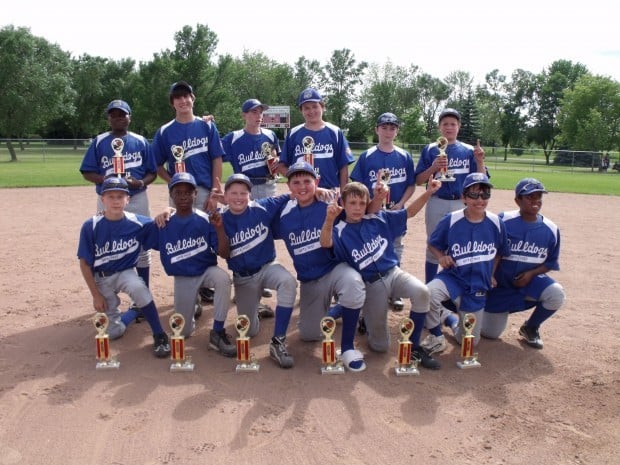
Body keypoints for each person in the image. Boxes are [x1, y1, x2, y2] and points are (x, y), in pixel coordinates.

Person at [320, 180, 443, 370]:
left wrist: (429, 192)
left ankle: (413, 346)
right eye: (352, 203)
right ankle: (363, 317)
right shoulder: (340, 231)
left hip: (393, 273)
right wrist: (328, 219)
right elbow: (325, 244)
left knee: (422, 292)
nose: (357, 208)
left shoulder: (378, 218)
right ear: (342, 204)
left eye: (362, 203)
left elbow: (409, 212)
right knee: (379, 347)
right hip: (371, 285)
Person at [273, 162, 367, 371]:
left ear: (317, 182)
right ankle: (340, 309)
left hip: (335, 269)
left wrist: (378, 197)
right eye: (296, 182)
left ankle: (348, 347)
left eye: (307, 181)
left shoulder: (330, 203)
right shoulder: (284, 214)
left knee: (353, 283)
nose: (302, 186)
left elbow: (360, 209)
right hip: (310, 280)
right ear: (289, 187)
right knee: (309, 334)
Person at [79, 99, 157, 318]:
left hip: (137, 197)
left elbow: (152, 171)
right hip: (108, 198)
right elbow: (86, 171)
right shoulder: (99, 141)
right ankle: (106, 296)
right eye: (114, 115)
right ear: (109, 118)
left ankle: (142, 299)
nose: (118, 118)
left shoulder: (141, 141)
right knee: (105, 243)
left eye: (122, 115)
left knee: (143, 246)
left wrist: (140, 182)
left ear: (129, 117)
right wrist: (108, 180)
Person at [77, 177, 171, 358]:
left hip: (126, 272)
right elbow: (84, 263)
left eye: (120, 196)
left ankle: (159, 334)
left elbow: (164, 224)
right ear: (102, 199)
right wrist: (95, 295)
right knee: (112, 333)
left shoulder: (139, 222)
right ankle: (133, 313)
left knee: (140, 289)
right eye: (110, 196)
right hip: (101, 277)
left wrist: (167, 210)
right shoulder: (91, 226)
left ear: (128, 199)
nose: (115, 201)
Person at [144, 172, 236, 357]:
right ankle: (194, 304)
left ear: (195, 194)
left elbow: (224, 253)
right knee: (184, 332)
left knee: (223, 279)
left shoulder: (204, 219)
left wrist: (219, 229)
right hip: (183, 278)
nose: (184, 196)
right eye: (178, 192)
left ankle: (217, 331)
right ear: (172, 195)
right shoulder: (164, 223)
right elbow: (136, 230)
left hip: (205, 271)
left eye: (188, 192)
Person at [152, 80, 225, 304]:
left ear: (193, 99)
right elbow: (156, 165)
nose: (183, 100)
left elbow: (217, 158)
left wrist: (215, 191)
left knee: (207, 234)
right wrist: (172, 180)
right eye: (177, 97)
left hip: (203, 190)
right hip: (180, 194)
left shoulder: (207, 126)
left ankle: (204, 285)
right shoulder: (164, 131)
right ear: (172, 103)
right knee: (182, 237)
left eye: (186, 96)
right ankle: (186, 285)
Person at [421, 172, 510, 356]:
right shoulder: (452, 219)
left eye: (485, 194)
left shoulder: (496, 223)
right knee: (429, 293)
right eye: (474, 195)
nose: (480, 200)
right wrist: (440, 257)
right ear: (463, 198)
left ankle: (449, 319)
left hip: (478, 285)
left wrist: (491, 273)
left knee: (469, 341)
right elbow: (433, 242)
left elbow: (500, 252)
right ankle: (437, 337)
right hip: (453, 278)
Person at [218, 173, 298, 368]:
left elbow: (292, 194)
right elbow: (223, 253)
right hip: (243, 278)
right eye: (234, 193)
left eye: (243, 193)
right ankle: (256, 308)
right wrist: (167, 210)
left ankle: (278, 340)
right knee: (250, 331)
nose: (239, 197)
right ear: (225, 196)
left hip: (267, 267)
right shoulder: (219, 219)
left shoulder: (264, 206)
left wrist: (318, 191)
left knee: (288, 281)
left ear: (250, 195)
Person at [481, 178, 565, 349]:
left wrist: (531, 274)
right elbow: (486, 250)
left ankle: (530, 327)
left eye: (538, 196)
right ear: (517, 200)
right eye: (530, 196)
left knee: (556, 294)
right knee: (491, 334)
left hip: (529, 284)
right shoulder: (503, 220)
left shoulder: (551, 228)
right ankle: (455, 313)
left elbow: (550, 263)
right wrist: (489, 275)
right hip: (499, 286)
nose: (535, 200)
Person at [350, 112, 416, 311]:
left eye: (392, 128)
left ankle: (394, 293)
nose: (388, 131)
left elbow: (411, 185)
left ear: (397, 131)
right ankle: (367, 288)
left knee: (396, 249)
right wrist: (371, 203)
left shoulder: (404, 156)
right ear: (377, 129)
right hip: (373, 212)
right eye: (384, 127)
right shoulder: (367, 156)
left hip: (395, 210)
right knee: (370, 250)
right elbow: (357, 186)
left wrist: (402, 203)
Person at [414, 108, 487, 283]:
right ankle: (430, 288)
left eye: (453, 124)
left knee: (460, 246)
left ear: (459, 127)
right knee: (433, 245)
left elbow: (482, 179)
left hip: (462, 204)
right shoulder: (430, 149)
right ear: (439, 127)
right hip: (436, 201)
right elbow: (418, 180)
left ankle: (456, 285)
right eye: (445, 124)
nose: (449, 127)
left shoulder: (469, 151)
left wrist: (480, 160)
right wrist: (433, 168)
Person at [221, 98, 282, 305]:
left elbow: (275, 158)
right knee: (242, 229)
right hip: (244, 189)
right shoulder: (233, 138)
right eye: (253, 112)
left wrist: (274, 164)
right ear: (244, 115)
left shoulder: (270, 135)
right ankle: (243, 282)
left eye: (260, 112)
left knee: (265, 229)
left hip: (267, 185)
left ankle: (263, 279)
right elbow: (215, 154)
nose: (258, 116)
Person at [277, 88, 354, 192]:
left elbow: (343, 167)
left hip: (329, 192)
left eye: (315, 106)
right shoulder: (293, 134)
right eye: (306, 108)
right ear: (301, 110)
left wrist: (343, 194)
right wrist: (297, 180)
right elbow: (281, 166)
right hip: (302, 193)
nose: (311, 111)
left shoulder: (335, 132)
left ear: (322, 107)